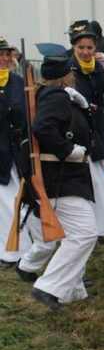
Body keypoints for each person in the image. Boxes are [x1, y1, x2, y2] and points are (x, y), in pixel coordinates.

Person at [24, 56, 97, 311]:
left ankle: (74, 290)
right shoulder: (56, 97)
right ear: (68, 75)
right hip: (62, 178)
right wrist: (67, 150)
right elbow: (43, 127)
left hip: (64, 177)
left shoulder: (52, 95)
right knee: (85, 233)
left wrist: (84, 108)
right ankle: (49, 287)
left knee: (74, 235)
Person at [68, 19, 104, 238]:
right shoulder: (69, 69)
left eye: (89, 48)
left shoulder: (100, 65)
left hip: (101, 127)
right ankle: (95, 225)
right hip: (82, 129)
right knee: (93, 180)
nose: (85, 52)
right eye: (81, 48)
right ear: (74, 47)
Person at [0, 36, 32, 267]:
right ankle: (10, 251)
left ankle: (16, 248)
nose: (3, 59)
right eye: (0, 55)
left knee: (16, 202)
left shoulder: (18, 82)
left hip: (16, 151)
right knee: (6, 204)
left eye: (6, 54)